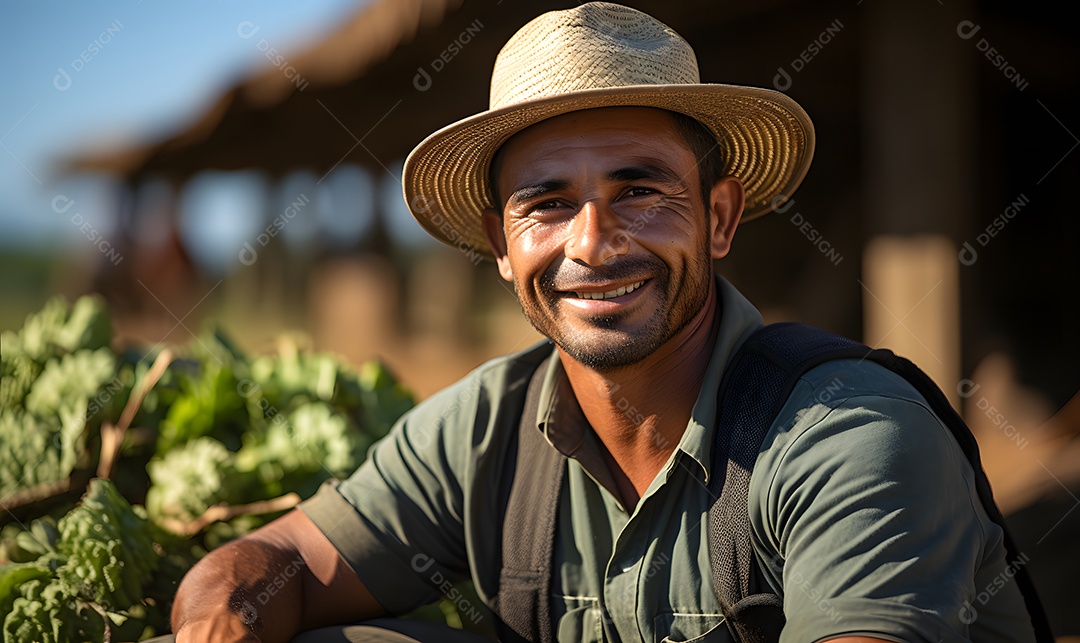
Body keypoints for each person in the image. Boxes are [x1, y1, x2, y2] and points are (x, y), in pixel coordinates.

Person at [170, 3, 1040, 642]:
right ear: (502, 246)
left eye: (642, 190)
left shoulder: (847, 432)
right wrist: (225, 611)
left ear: (721, 218)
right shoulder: (483, 431)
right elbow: (277, 560)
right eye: (546, 203)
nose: (594, 242)